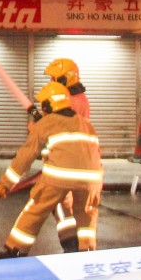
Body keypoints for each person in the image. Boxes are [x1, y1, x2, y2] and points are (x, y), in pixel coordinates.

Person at [0, 81, 102, 259]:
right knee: (86, 213)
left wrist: (4, 185)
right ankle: (87, 252)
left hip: (59, 177)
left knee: (35, 209)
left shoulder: (46, 123)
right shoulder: (85, 123)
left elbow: (25, 157)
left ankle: (14, 251)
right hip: (92, 179)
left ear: (49, 104)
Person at [44, 57, 90, 252]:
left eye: (54, 79)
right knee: (76, 206)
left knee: (58, 202)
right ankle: (83, 245)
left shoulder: (66, 101)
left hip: (64, 161)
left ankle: (71, 243)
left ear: (65, 80)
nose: (50, 83)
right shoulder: (81, 99)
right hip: (80, 160)